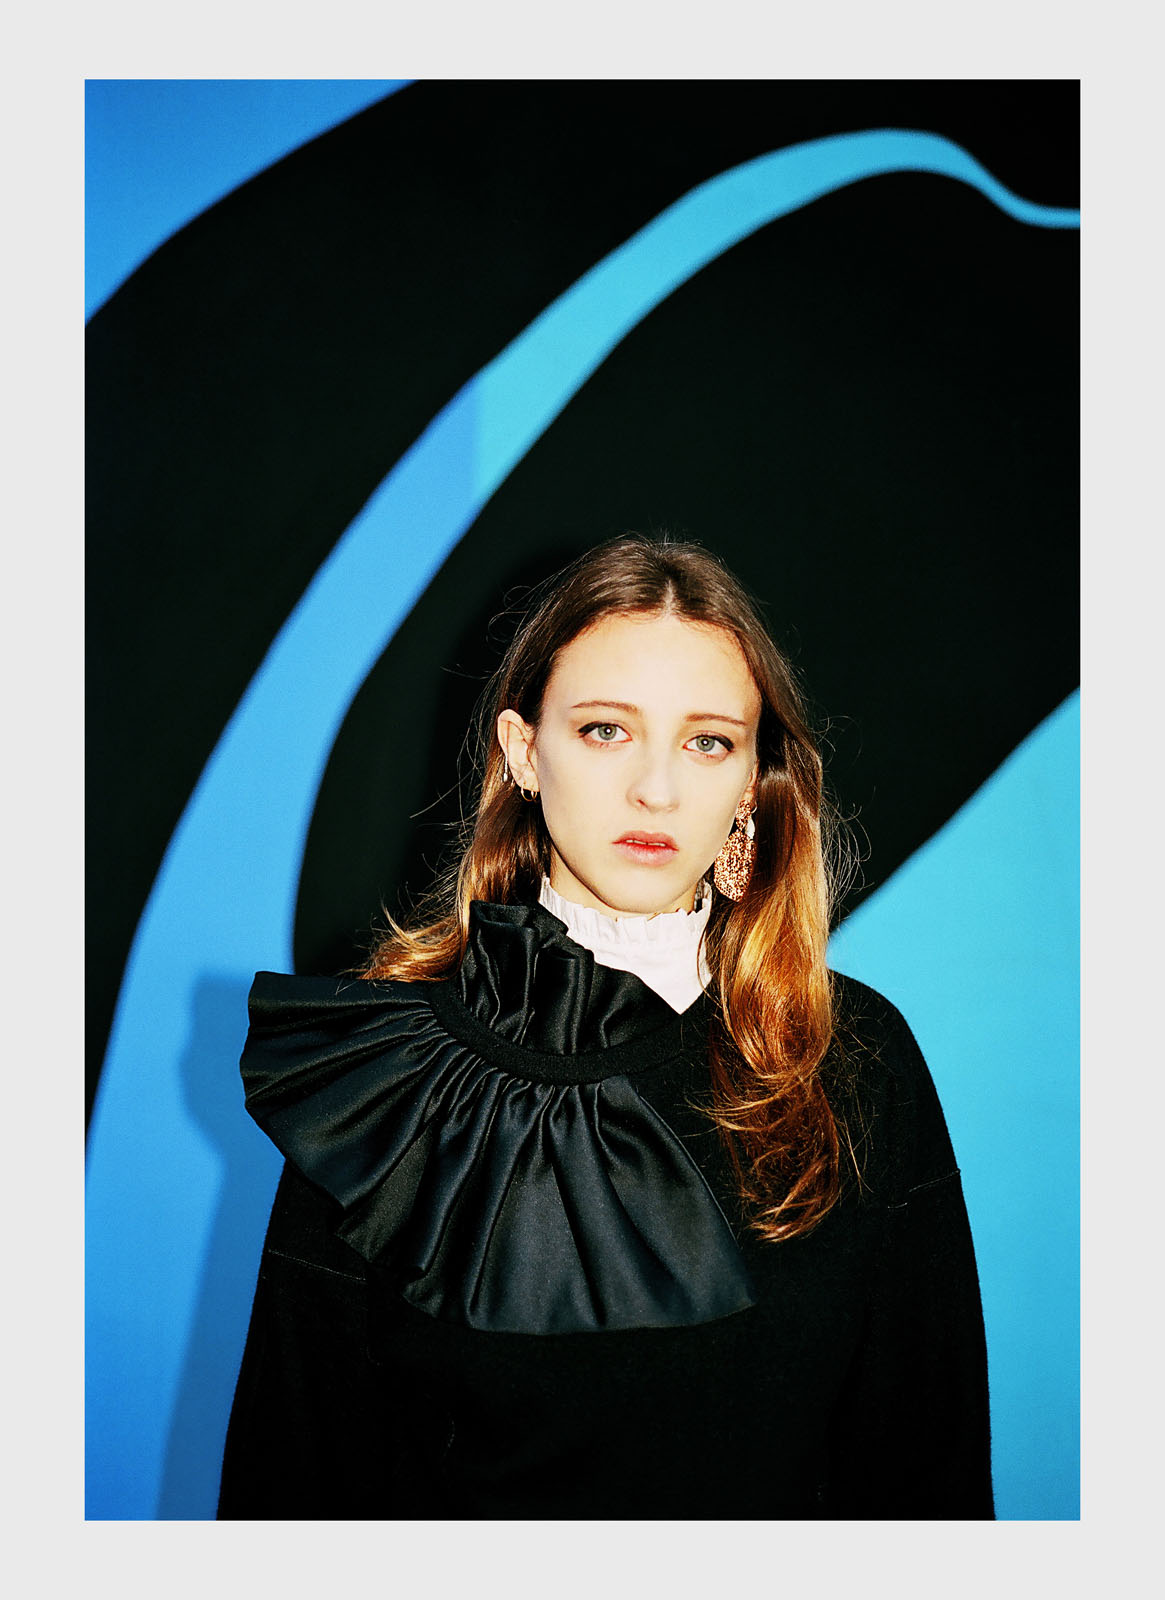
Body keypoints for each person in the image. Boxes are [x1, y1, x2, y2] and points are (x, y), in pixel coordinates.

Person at [218, 535, 994, 1520]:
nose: (655, 789)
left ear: (752, 780)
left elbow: (926, 1482)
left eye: (707, 741)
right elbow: (289, 1485)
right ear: (522, 751)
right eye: (604, 730)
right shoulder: (386, 1074)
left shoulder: (852, 1058)